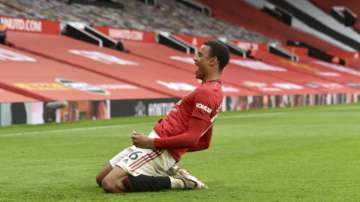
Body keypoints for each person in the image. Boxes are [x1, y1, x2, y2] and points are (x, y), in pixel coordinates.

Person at [96, 40, 230, 193]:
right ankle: (167, 169)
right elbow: (204, 142)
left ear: (213, 61)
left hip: (159, 147)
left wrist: (154, 144)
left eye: (200, 55)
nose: (195, 59)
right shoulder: (211, 90)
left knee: (111, 183)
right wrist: (170, 152)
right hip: (159, 145)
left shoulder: (207, 92)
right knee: (101, 178)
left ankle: (180, 182)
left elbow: (193, 138)